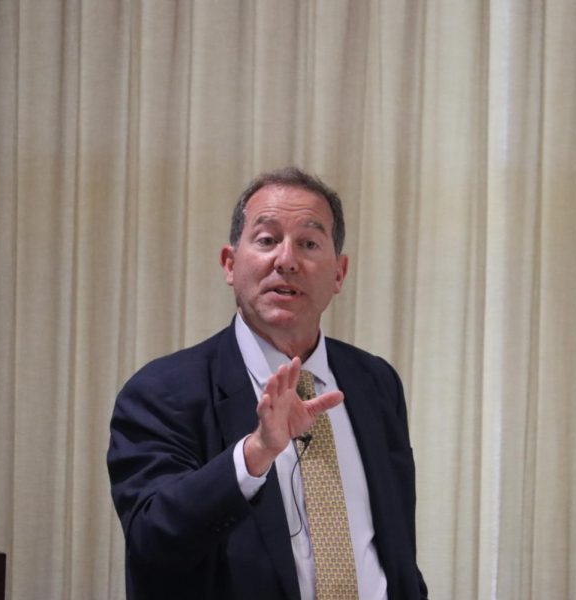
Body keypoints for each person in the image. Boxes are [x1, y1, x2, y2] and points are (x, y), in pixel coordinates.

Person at [108, 167, 427, 599]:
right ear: (229, 263)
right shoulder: (163, 391)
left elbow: (394, 544)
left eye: (310, 243)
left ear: (339, 273)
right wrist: (255, 453)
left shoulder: (374, 382)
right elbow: (152, 538)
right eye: (266, 240)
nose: (287, 260)